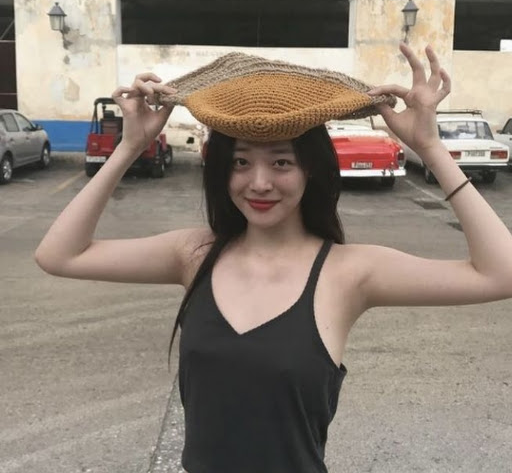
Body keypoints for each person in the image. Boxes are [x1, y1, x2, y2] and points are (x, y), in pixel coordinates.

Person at [35, 43, 512, 473]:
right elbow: (60, 255)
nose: (259, 183)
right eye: (240, 162)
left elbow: (500, 273)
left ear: (311, 171)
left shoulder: (348, 272)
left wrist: (430, 147)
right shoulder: (195, 254)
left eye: (281, 162)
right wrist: (130, 146)